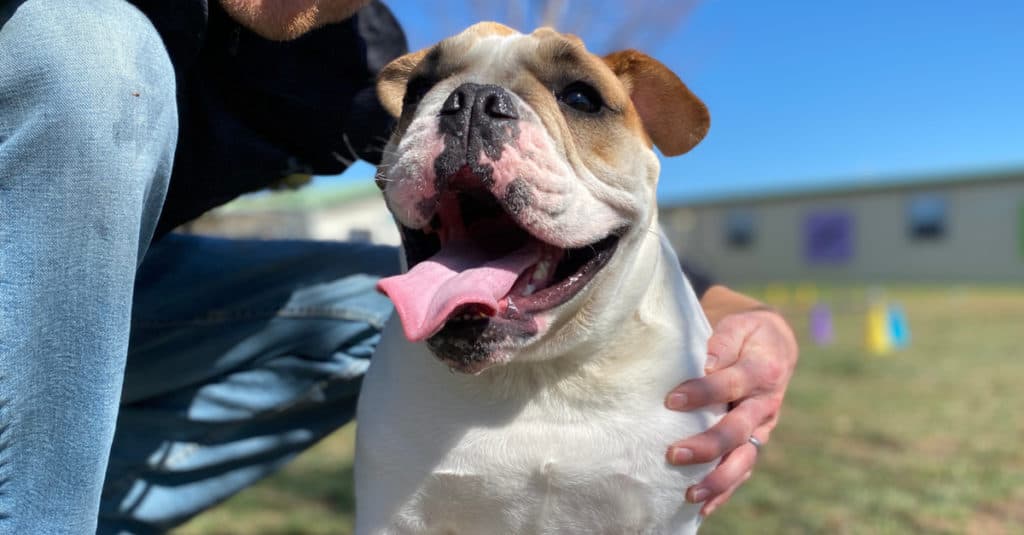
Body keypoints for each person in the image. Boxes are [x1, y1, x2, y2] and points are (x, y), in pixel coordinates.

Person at [0, 0, 798, 532]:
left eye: (579, 100)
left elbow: (599, 206)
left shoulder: (337, 46)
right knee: (86, 54)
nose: (466, 107)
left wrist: (725, 304)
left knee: (364, 304)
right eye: (434, 88)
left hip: (111, 301)